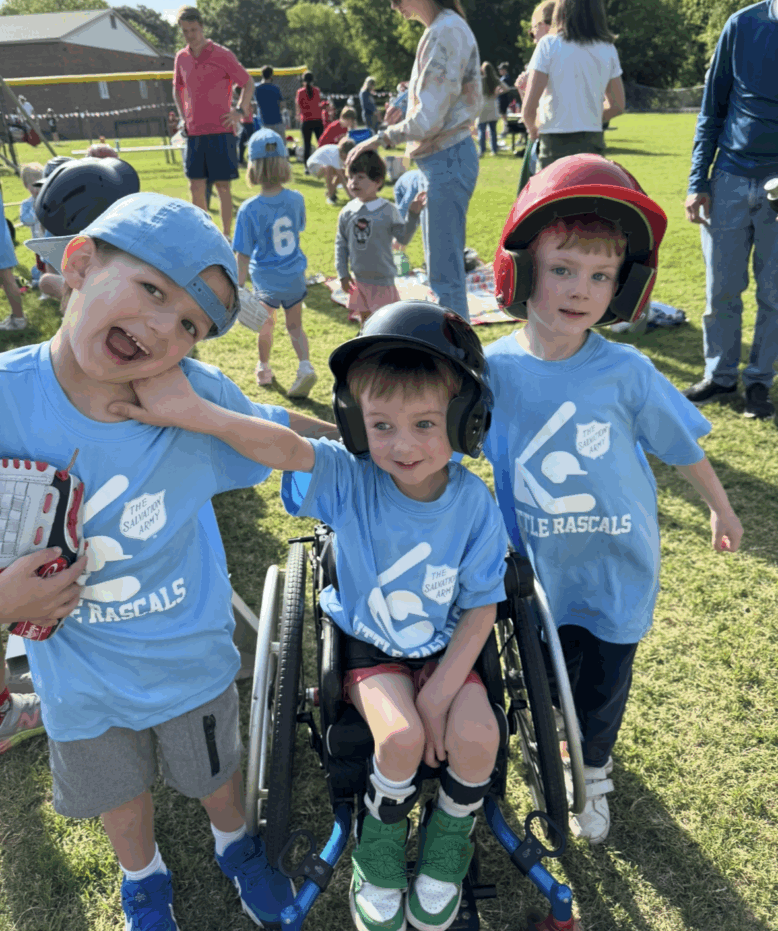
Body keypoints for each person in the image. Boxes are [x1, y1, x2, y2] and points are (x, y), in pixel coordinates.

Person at [108, 299, 508, 931]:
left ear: (465, 422)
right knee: (400, 738)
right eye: (381, 426)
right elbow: (285, 448)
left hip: (445, 645)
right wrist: (194, 413)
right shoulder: (350, 479)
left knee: (481, 738)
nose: (402, 446)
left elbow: (482, 605)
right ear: (353, 424)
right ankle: (378, 852)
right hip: (368, 648)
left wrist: (441, 695)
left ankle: (446, 846)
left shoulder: (474, 504)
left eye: (426, 425)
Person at [0, 186, 339, 927]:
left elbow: (291, 439)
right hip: (80, 683)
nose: (161, 328)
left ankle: (235, 844)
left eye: (188, 323)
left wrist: (379, 445)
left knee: (215, 773)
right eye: (151, 289)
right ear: (81, 262)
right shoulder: (7, 400)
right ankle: (143, 877)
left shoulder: (196, 397)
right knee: (120, 792)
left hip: (189, 660)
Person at [487, 154, 743, 844]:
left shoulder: (627, 371)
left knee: (600, 687)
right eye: (564, 269)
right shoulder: (494, 373)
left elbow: (680, 443)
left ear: (625, 286)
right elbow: (442, 440)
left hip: (614, 571)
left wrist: (719, 505)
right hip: (536, 575)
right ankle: (561, 745)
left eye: (601, 277)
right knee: (545, 678)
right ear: (521, 270)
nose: (581, 290)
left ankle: (592, 768)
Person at [346, 0, 481, 322]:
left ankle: (458, 364)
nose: (393, 7)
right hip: (440, 160)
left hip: (448, 160)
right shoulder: (441, 30)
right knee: (438, 264)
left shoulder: (445, 32)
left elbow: (429, 121)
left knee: (445, 278)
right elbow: (434, 103)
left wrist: (378, 137)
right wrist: (405, 105)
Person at [683, 0, 778, 420]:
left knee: (775, 295)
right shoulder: (743, 24)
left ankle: (759, 382)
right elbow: (712, 109)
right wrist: (696, 180)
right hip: (729, 179)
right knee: (721, 290)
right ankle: (720, 374)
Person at [233, 127, 317, 396]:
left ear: (253, 166)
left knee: (265, 326)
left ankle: (263, 368)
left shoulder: (249, 209)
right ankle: (305, 366)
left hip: (266, 279)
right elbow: (298, 228)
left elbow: (243, 253)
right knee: (295, 326)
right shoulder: (296, 199)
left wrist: (238, 286)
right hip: (293, 274)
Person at [521, 0, 625, 170]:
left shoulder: (548, 45)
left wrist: (533, 129)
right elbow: (618, 105)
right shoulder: (607, 48)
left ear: (562, 4)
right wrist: (589, 116)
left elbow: (528, 109)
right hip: (592, 145)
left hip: (553, 146)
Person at [173, 5, 255, 238]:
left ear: (202, 28)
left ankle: (227, 236)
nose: (190, 35)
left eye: (194, 30)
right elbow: (177, 90)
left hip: (221, 130)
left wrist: (239, 111)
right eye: (186, 31)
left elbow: (248, 83)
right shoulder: (181, 58)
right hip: (194, 132)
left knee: (222, 187)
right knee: (195, 187)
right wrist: (183, 118)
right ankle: (205, 237)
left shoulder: (222, 54)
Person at [337, 150, 426, 325]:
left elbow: (402, 238)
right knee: (366, 324)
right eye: (350, 177)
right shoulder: (347, 212)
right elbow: (341, 245)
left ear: (377, 181)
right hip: (359, 280)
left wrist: (413, 215)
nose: (353, 182)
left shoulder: (388, 210)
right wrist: (342, 274)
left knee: (385, 324)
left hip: (382, 281)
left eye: (360, 177)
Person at [0, 178, 28, 332]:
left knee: (7, 279)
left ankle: (19, 319)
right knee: (6, 279)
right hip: (2, 237)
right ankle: (17, 318)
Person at [307, 133, 356, 206]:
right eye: (347, 156)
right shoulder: (335, 155)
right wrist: (351, 197)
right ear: (342, 153)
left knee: (344, 172)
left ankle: (331, 190)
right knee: (330, 168)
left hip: (324, 166)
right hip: (313, 166)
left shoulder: (340, 154)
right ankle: (330, 196)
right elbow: (342, 179)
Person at [477, 61, 509, 157]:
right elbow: (507, 88)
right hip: (493, 105)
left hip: (482, 106)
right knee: (493, 130)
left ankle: (482, 150)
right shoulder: (495, 80)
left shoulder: (480, 80)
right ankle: (494, 150)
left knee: (481, 130)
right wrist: (497, 93)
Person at [295, 71, 324, 170]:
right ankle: (323, 163)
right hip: (317, 120)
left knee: (306, 145)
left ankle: (307, 167)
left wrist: (298, 116)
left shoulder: (300, 92)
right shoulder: (317, 91)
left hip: (306, 120)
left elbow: (298, 106)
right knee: (321, 143)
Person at [254, 65, 286, 142]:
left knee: (266, 145)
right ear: (271, 75)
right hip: (277, 119)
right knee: (280, 144)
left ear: (261, 74)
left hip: (263, 120)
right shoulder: (276, 88)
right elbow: (282, 104)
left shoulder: (257, 88)